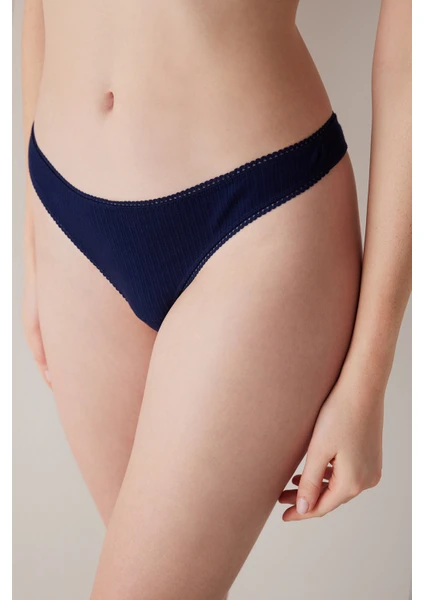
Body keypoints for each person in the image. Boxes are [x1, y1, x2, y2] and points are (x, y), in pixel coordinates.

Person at [21, 1, 411, 598]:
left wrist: (368, 377)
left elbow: (412, 53)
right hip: (67, 214)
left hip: (254, 221)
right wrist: (33, 239)